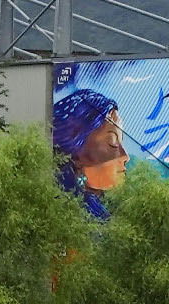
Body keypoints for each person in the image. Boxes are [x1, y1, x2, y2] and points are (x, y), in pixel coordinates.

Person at [52, 89, 129, 218]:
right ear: (76, 154)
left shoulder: (104, 209)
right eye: (112, 142)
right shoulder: (67, 212)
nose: (125, 156)